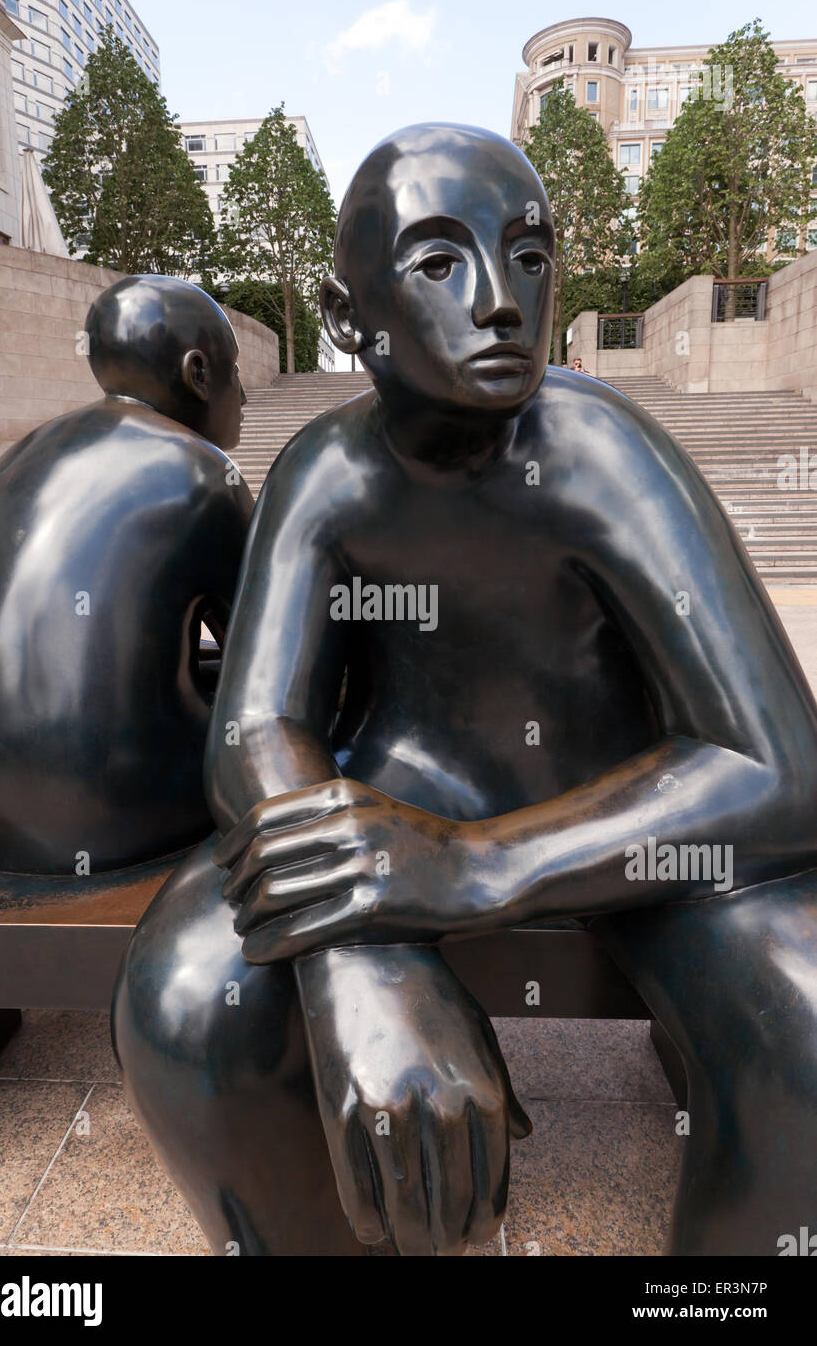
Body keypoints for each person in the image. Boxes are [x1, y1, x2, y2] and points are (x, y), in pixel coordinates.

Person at [114, 125, 817, 1257]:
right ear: (350, 323)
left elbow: (773, 768)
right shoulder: (326, 475)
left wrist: (475, 867)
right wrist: (363, 949)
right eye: (440, 261)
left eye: (529, 256)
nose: (501, 300)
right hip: (405, 785)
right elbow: (256, 725)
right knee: (192, 999)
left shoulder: (605, 455)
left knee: (806, 1021)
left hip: (639, 814)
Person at [0, 275, 252, 876]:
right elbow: (262, 662)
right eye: (233, 371)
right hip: (115, 806)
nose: (242, 394)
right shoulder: (204, 474)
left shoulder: (24, 454)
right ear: (198, 374)